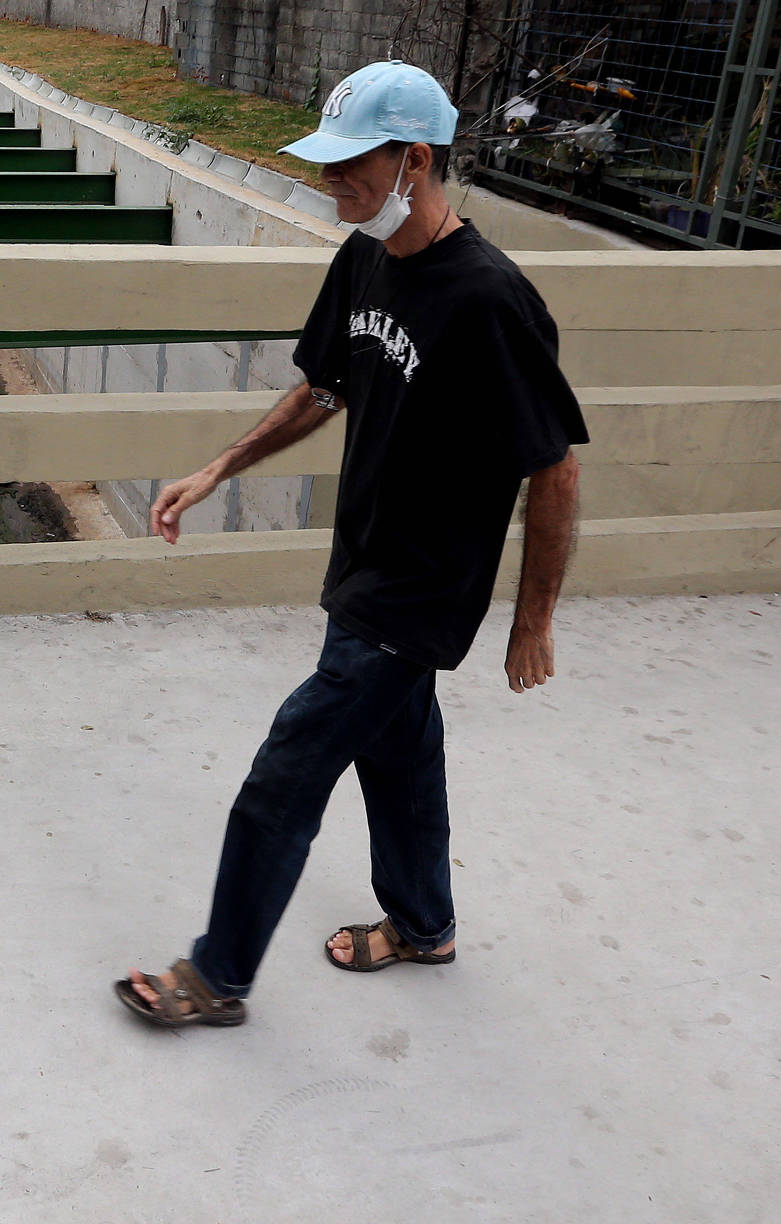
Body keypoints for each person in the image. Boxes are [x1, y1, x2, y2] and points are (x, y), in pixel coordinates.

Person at [114, 61, 588, 1030]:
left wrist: (532, 618)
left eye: (349, 170)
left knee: (285, 774)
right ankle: (423, 924)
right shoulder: (367, 252)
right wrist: (217, 468)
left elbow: (556, 465)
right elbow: (323, 388)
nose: (333, 188)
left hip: (417, 593)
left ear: (416, 161)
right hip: (363, 561)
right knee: (400, 756)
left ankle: (216, 975)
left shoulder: (490, 300)